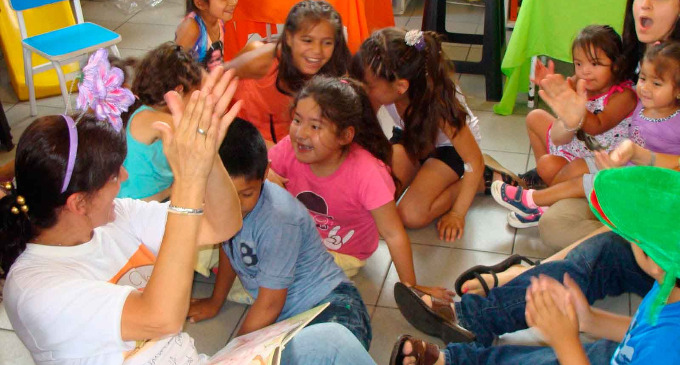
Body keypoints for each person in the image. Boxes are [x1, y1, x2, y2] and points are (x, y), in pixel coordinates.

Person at [0, 64, 376, 365]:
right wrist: (188, 183)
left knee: (331, 341)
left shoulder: (116, 218)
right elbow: (160, 317)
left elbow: (222, 223)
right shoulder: (34, 287)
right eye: (116, 175)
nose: (126, 177)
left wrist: (207, 154)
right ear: (78, 203)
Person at [389, 166, 680, 365]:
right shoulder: (669, 289)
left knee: (586, 355)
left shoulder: (665, 348)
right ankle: (469, 324)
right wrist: (590, 319)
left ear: (657, 261)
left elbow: (653, 342)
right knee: (608, 254)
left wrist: (567, 343)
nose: (627, 235)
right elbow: (644, 330)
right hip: (648, 348)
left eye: (635, 234)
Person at [186, 118, 372, 349]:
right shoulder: (220, 206)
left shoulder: (280, 220)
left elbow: (271, 304)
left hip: (333, 310)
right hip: (288, 320)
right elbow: (230, 250)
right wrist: (216, 301)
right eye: (225, 193)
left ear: (265, 173)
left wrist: (232, 354)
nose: (235, 205)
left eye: (246, 194)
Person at [268, 76, 453, 301]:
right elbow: (258, 172)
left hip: (342, 253)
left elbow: (393, 234)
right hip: (299, 236)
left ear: (345, 136)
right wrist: (265, 173)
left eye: (315, 126)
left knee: (277, 279)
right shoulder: (290, 146)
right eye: (297, 120)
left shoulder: (367, 172)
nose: (301, 133)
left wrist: (412, 287)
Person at [491, 41, 680, 228]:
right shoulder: (643, 102)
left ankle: (533, 201)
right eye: (643, 79)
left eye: (656, 83)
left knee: (582, 181)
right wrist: (556, 86)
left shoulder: (669, 117)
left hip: (643, 178)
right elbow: (572, 85)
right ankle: (535, 200)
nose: (646, 88)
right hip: (617, 162)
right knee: (569, 172)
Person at [538, 0, 680, 249]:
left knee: (558, 224)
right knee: (553, 223)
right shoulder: (630, 57)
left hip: (647, 192)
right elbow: (569, 129)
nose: (645, 5)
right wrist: (571, 117)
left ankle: (637, 246)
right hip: (615, 170)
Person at [352, 27, 513, 242]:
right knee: (379, 198)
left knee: (411, 215)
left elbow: (472, 160)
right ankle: (424, 172)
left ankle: (481, 181)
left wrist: (457, 213)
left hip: (450, 150)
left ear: (400, 87)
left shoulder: (441, 107)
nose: (359, 88)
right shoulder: (382, 88)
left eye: (366, 85)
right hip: (411, 137)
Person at [520, 25, 636, 196]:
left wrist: (576, 107)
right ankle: (548, 182)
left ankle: (548, 193)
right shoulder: (580, 81)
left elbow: (597, 125)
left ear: (617, 65)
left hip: (595, 159)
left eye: (595, 63)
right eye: (578, 63)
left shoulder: (624, 95)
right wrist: (551, 84)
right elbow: (564, 112)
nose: (585, 70)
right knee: (534, 117)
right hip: (573, 147)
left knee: (548, 165)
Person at [224, 0, 351, 144]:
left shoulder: (335, 73)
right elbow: (214, 82)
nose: (317, 51)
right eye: (308, 41)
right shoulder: (261, 57)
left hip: (291, 154)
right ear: (289, 38)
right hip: (240, 145)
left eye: (327, 43)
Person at [118, 42, 203, 202]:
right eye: (195, 94)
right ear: (178, 91)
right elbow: (198, 138)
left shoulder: (146, 111)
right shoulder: (153, 118)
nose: (198, 100)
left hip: (154, 197)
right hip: (140, 207)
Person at [175, 0, 237, 71]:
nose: (234, 2)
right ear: (200, 3)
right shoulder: (191, 27)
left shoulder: (220, 20)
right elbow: (174, 66)